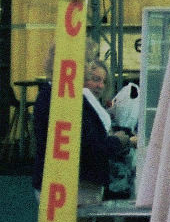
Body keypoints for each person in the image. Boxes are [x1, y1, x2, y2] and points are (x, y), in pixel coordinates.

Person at [32, 54, 135, 196]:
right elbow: (90, 146)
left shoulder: (51, 95)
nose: (100, 86)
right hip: (76, 184)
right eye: (95, 79)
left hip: (71, 182)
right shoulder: (70, 101)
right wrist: (120, 141)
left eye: (104, 81)